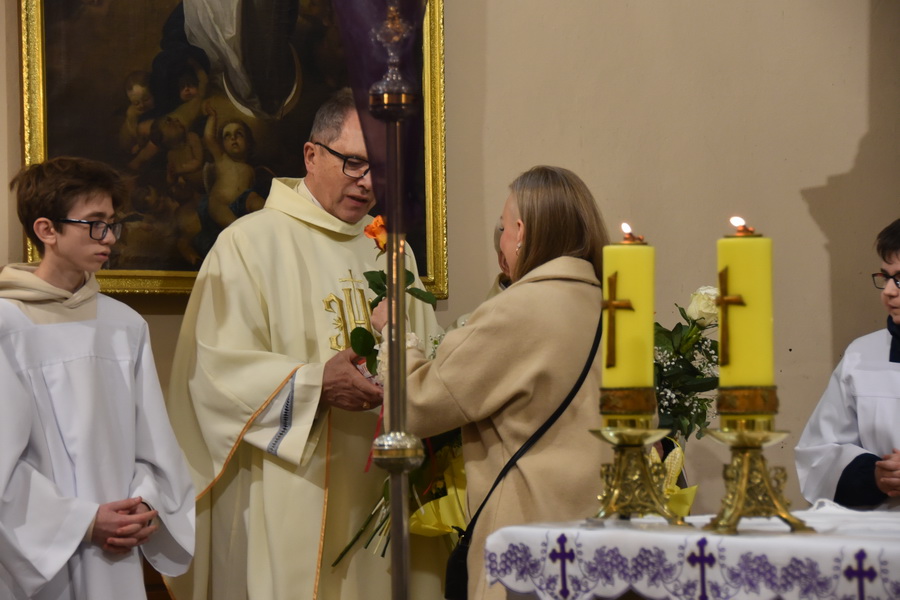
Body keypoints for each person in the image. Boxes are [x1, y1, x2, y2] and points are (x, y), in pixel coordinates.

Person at [165, 88, 443, 600]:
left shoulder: (394, 252)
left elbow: (425, 361)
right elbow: (214, 373)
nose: (368, 182)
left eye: (381, 169)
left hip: (384, 489)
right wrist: (315, 386)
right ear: (312, 155)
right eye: (354, 163)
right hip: (292, 484)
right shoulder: (249, 243)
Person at [372, 165, 609, 600]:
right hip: (599, 542)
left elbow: (416, 406)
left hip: (527, 544)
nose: (500, 239)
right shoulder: (608, 305)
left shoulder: (520, 310)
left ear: (521, 231)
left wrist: (393, 334)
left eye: (503, 226)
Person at [0, 157, 195, 599]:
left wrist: (142, 504)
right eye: (94, 224)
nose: (108, 237)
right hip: (40, 556)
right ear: (47, 230)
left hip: (117, 548)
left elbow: (153, 443)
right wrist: (83, 522)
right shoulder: (9, 326)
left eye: (111, 224)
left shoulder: (123, 325)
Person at [796, 217, 900, 510]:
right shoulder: (862, 354)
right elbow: (819, 455)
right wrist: (876, 476)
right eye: (886, 277)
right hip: (882, 527)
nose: (888, 291)